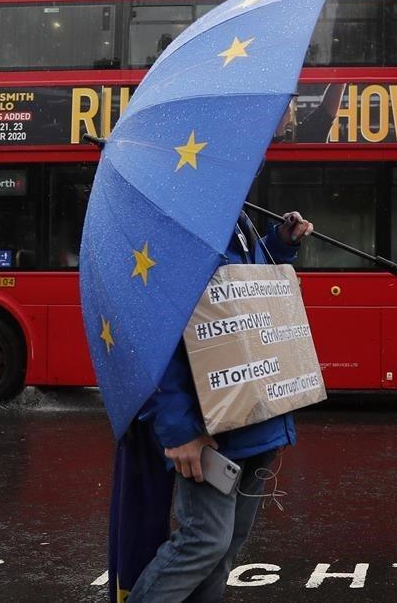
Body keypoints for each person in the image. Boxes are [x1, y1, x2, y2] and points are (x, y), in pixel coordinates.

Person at [125, 210, 313, 603]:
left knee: (224, 550)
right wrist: (179, 430)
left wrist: (280, 243)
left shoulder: (235, 215)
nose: (267, 151)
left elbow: (244, 294)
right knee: (204, 542)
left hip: (255, 414)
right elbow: (154, 336)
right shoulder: (181, 222)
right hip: (209, 425)